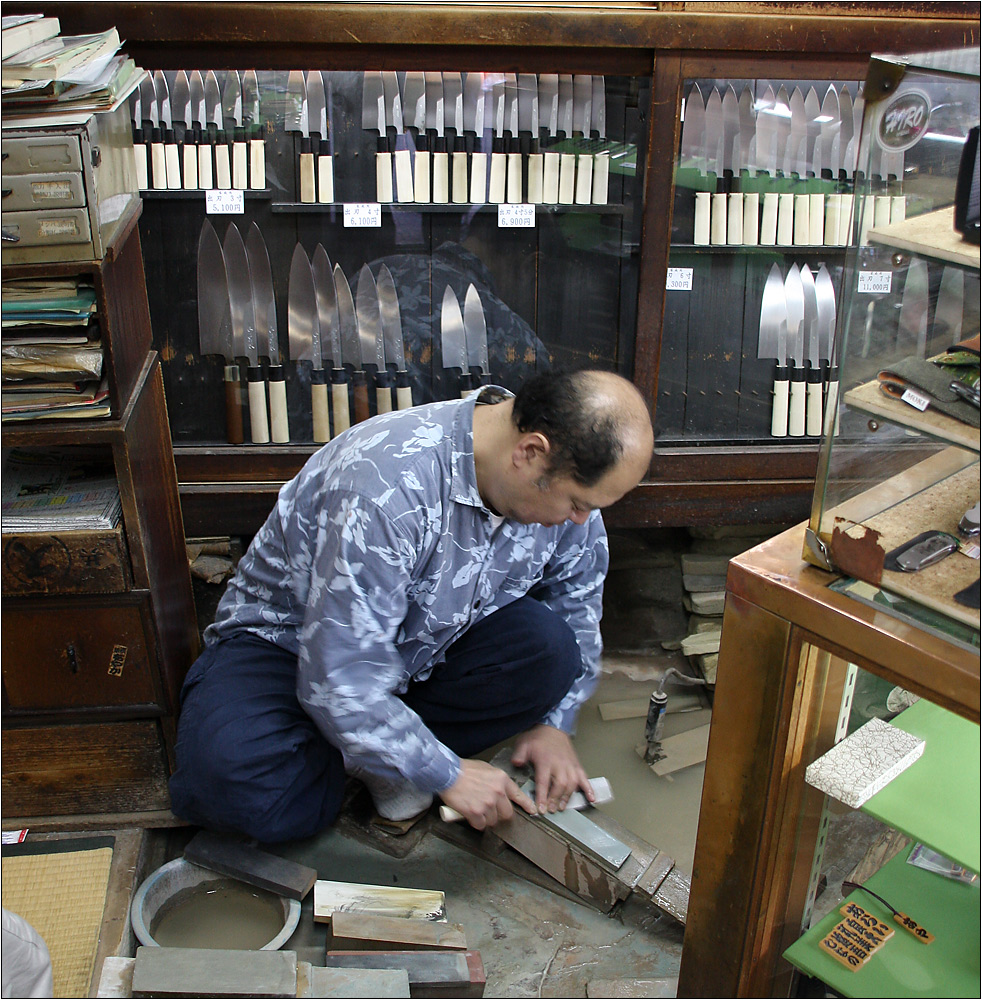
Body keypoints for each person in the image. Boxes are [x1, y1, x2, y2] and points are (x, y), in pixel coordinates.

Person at [169, 370, 654, 843]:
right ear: (530, 453)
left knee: (552, 652)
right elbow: (340, 674)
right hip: (291, 649)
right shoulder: (384, 486)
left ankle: (371, 748)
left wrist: (554, 725)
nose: (581, 520)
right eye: (577, 503)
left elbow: (577, 600)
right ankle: (369, 751)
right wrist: (446, 774)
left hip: (420, 653)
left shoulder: (563, 485)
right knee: (239, 783)